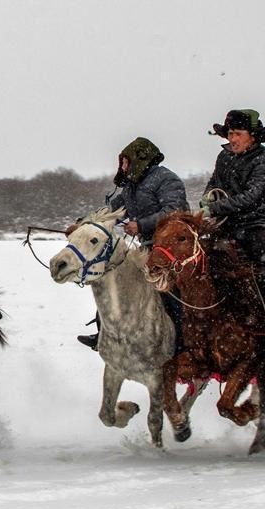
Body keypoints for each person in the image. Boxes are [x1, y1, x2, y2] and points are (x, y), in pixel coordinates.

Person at [78, 137, 189, 351]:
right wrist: (84, 224)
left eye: (126, 162)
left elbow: (175, 212)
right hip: (147, 247)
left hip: (169, 249)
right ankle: (105, 332)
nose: (122, 167)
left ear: (140, 160)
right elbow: (112, 211)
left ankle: (180, 340)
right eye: (122, 163)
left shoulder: (166, 179)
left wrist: (141, 225)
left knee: (168, 292)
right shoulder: (131, 186)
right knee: (115, 281)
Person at [199, 109, 265, 305]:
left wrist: (215, 209)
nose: (233, 139)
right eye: (230, 134)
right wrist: (205, 200)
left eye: (238, 134)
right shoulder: (224, 157)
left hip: (252, 226)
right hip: (222, 227)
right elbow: (213, 183)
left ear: (252, 137)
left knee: (264, 271)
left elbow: (250, 198)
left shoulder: (263, 160)